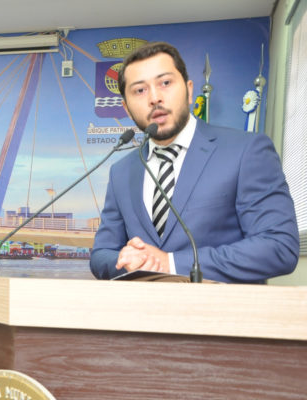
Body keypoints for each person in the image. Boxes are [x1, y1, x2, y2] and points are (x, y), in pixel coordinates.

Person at [89, 41, 299, 284]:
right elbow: (101, 255)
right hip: (142, 308)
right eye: (140, 90)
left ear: (189, 91)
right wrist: (125, 260)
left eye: (165, 83)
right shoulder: (121, 172)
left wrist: (171, 263)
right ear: (126, 108)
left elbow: (279, 246)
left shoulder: (246, 151)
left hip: (223, 308)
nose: (154, 98)